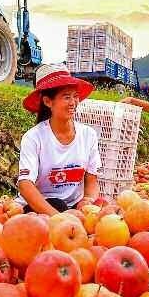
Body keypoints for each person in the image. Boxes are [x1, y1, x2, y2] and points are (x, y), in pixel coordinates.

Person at [17, 64, 101, 215]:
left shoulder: (88, 135)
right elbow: (25, 185)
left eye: (75, 96)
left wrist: (88, 200)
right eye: (66, 97)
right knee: (57, 204)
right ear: (48, 102)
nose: (73, 102)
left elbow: (92, 180)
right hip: (39, 209)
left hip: (73, 209)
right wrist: (58, 218)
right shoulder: (34, 137)